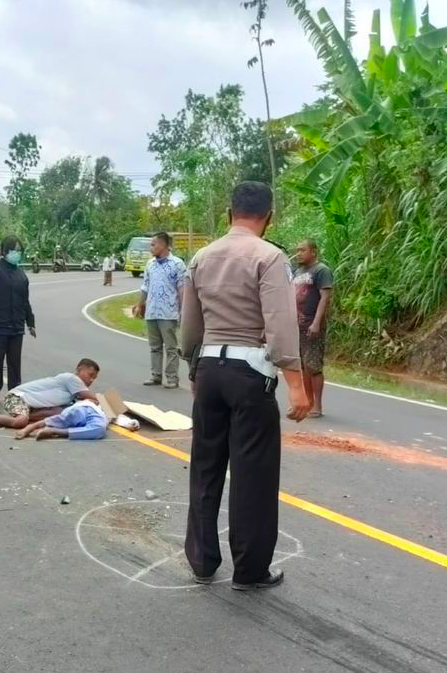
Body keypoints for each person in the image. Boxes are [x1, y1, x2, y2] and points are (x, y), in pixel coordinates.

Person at [179, 181, 310, 592]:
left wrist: (193, 368)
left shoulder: (202, 256)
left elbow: (190, 327)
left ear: (228, 213)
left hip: (210, 368)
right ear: (269, 216)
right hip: (250, 373)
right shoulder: (269, 257)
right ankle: (250, 570)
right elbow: (280, 325)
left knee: (205, 465)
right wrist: (298, 386)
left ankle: (202, 561)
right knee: (252, 473)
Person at [0, 359, 100, 430]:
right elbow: (92, 398)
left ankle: (18, 415)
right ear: (79, 369)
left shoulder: (73, 392)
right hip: (17, 397)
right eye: (90, 375)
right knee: (20, 422)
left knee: (61, 411)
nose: (91, 380)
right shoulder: (72, 379)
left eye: (94, 378)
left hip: (31, 404)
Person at [0, 236, 36, 405]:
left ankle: (14, 393)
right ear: (5, 251)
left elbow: (25, 300)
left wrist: (30, 322)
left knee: (14, 364)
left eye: (19, 250)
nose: (16, 253)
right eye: (13, 250)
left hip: (16, 326)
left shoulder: (21, 274)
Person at [134, 232, 188, 389]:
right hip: (152, 311)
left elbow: (182, 288)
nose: (151, 247)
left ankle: (172, 378)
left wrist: (183, 310)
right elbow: (145, 285)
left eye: (153, 244)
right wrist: (140, 304)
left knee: (171, 347)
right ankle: (155, 375)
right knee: (155, 346)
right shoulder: (150, 264)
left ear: (163, 245)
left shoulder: (177, 264)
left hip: (168, 312)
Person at [293, 239, 334, 418]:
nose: (299, 253)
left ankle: (317, 405)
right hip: (297, 325)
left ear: (314, 251)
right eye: (298, 250)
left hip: (312, 325)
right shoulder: (297, 271)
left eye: (302, 250)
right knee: (302, 365)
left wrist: (316, 322)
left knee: (313, 365)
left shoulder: (321, 271)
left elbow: (324, 298)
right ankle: (307, 402)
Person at [14, 399, 108, 441]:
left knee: (63, 419)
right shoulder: (98, 406)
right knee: (99, 429)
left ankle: (48, 429)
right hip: (89, 410)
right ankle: (37, 427)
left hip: (83, 410)